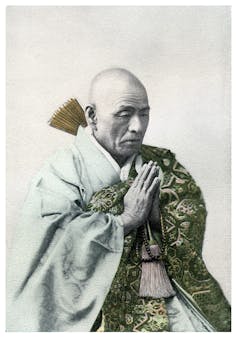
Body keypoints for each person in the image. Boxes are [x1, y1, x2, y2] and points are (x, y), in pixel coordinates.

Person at [6, 68, 230, 332]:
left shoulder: (163, 162)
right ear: (92, 116)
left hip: (169, 300)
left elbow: (191, 213)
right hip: (92, 309)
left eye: (144, 114)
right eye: (125, 114)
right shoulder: (61, 171)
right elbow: (47, 245)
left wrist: (159, 218)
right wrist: (124, 221)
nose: (137, 127)